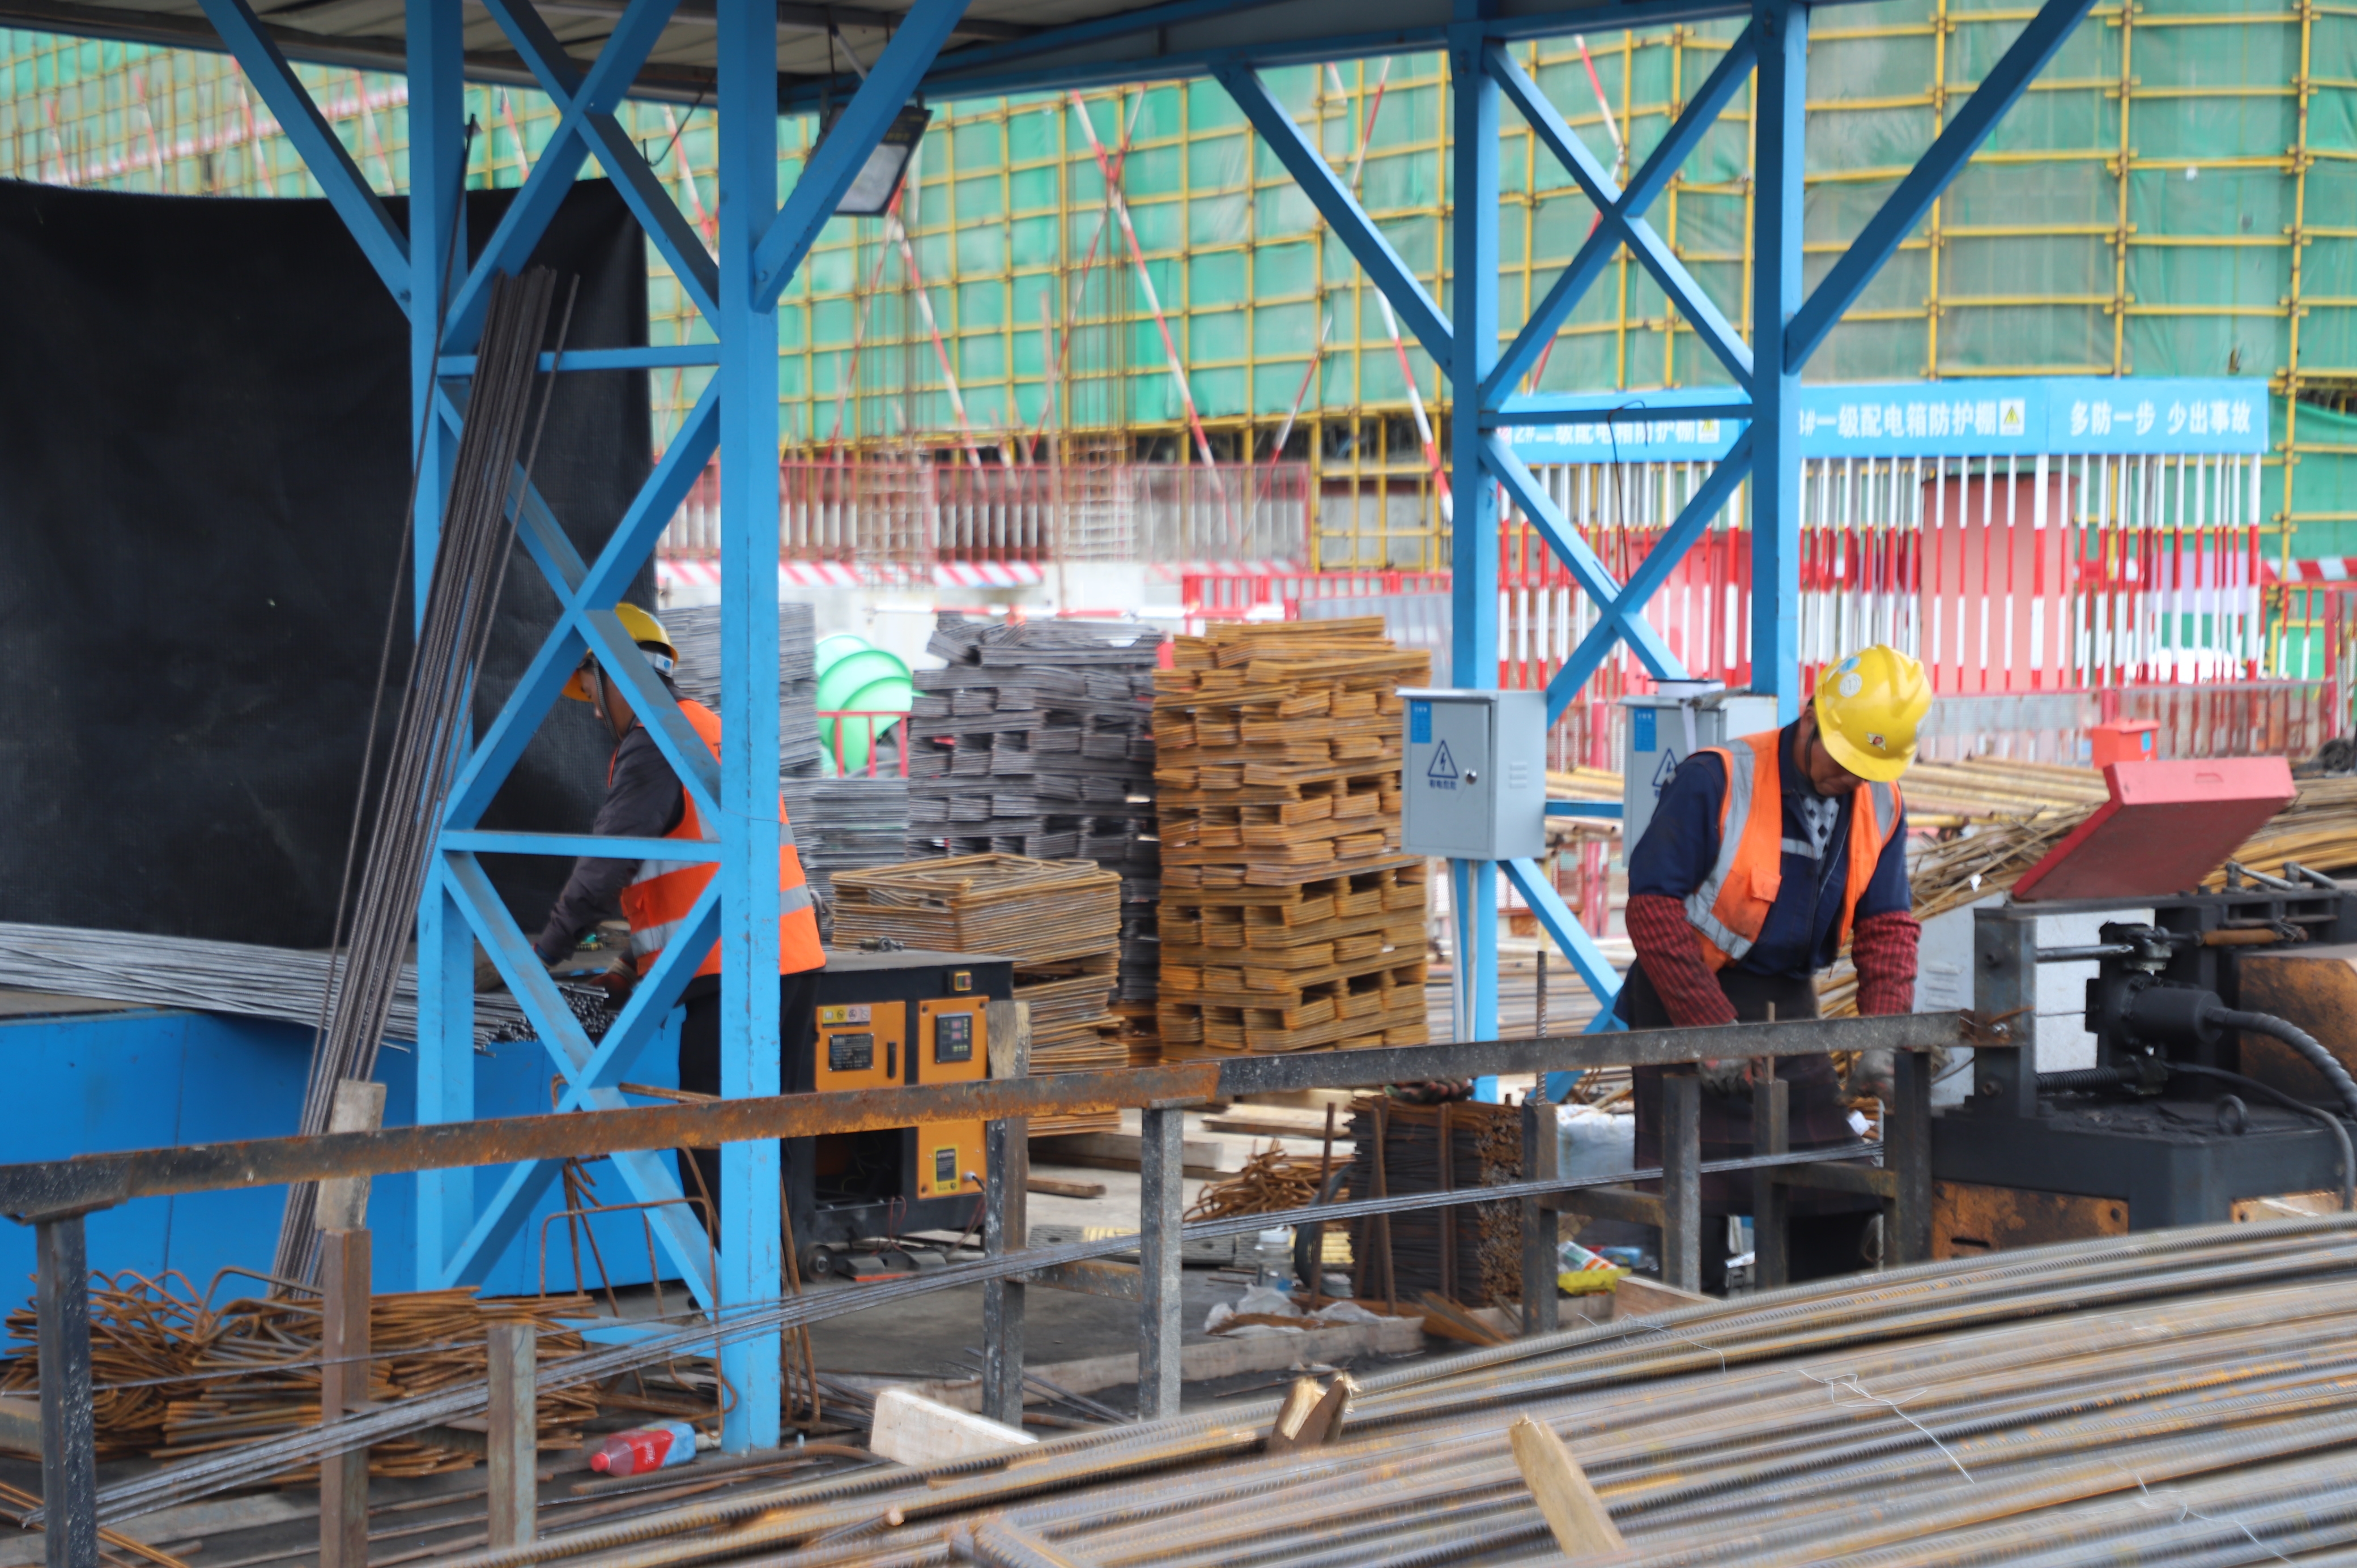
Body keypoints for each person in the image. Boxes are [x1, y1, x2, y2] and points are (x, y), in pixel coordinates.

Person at [1618, 645, 1930, 1292]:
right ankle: (1690, 1346)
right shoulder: (1718, 778)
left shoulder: (1880, 804)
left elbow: (1887, 927)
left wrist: (1878, 1036)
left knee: (1834, 1189)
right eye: (1842, 763)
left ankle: (1807, 1337)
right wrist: (1710, 1030)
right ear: (1812, 718)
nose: (1849, 780)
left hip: (1786, 1006)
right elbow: (1651, 909)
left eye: (1864, 770)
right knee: (1690, 1199)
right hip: (1684, 995)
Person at [517, 603, 826, 1225]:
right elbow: (703, 864)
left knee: (712, 1147)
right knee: (772, 1141)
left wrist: (541, 952)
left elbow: (609, 861)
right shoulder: (706, 726)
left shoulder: (653, 743)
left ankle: (728, 1308)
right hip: (788, 962)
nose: (597, 711)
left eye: (594, 691)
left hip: (731, 975)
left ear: (612, 675)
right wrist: (632, 964)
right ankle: (774, 1306)